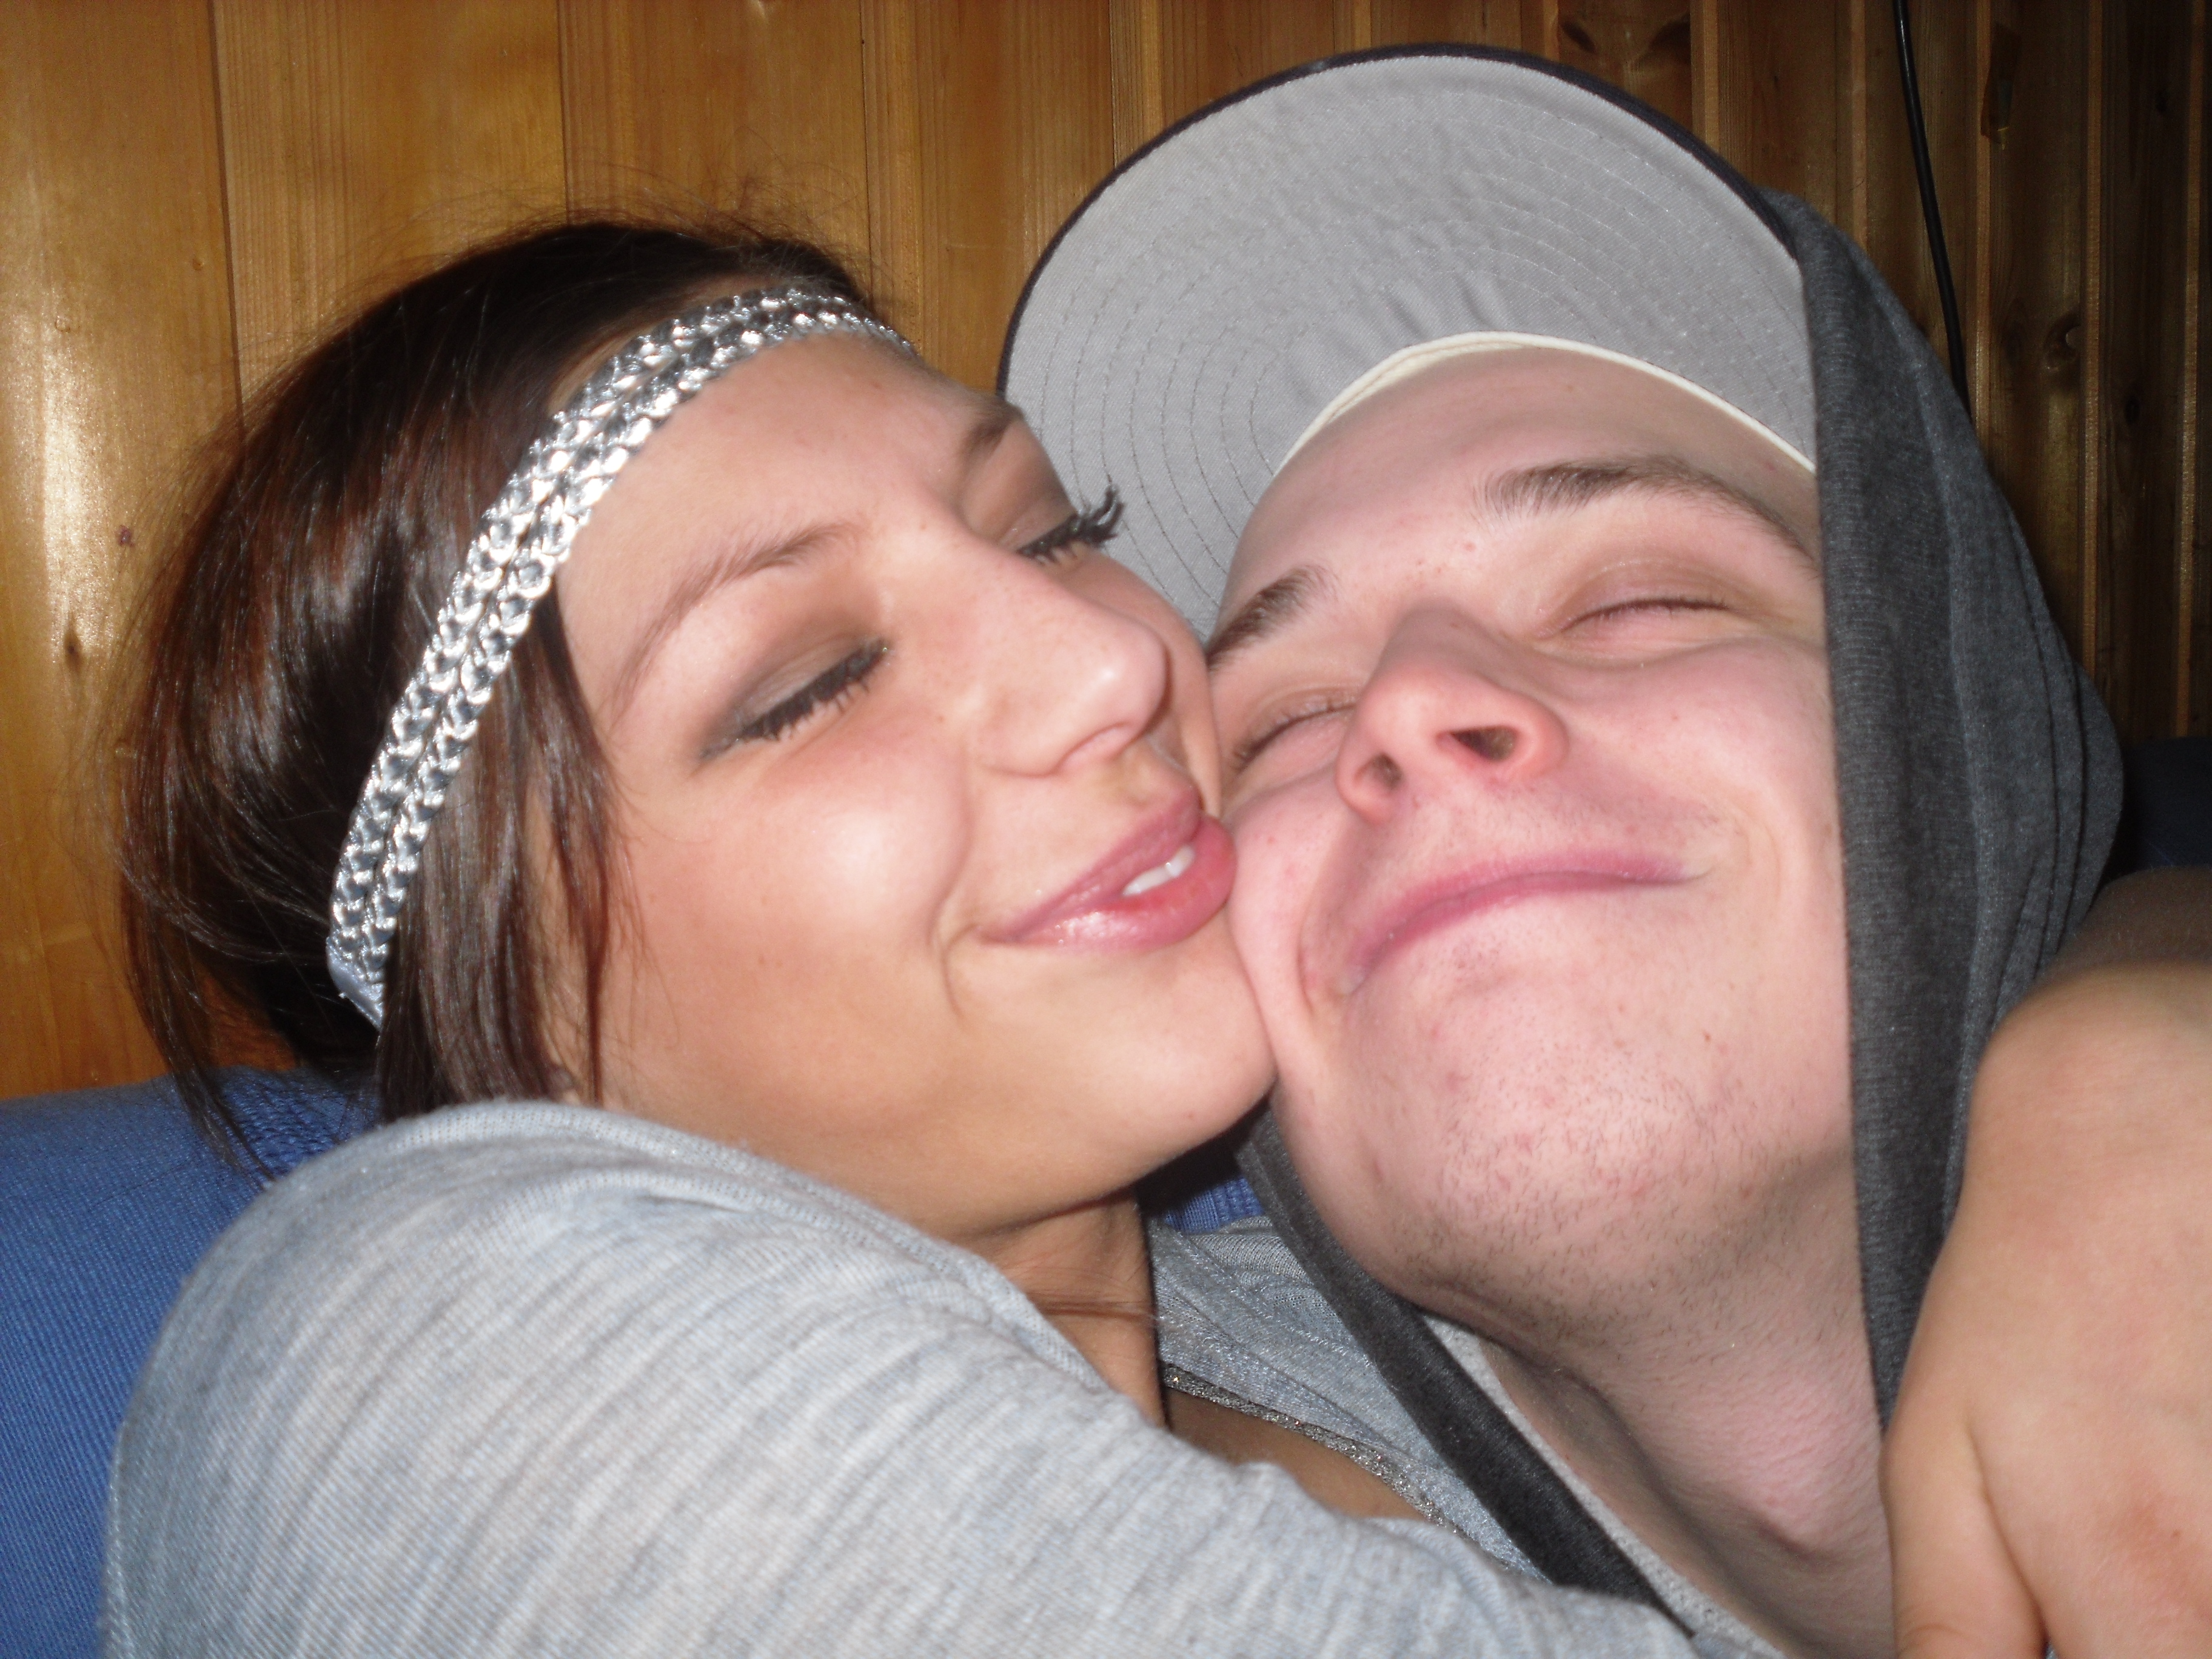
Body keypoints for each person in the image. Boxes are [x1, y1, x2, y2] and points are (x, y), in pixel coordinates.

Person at [104, 92, 2201, 1659]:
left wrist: (2120, 1015)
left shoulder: (1363, 1335)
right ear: (522, 1039)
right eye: (806, 683)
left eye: (1056, 532)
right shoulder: (425, 1375)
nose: (1122, 658)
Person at [999, 45, 2212, 1659]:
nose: (1409, 706)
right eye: (1285, 717)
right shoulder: (1060, 1462)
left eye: (1640, 599)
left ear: (1957, 720)